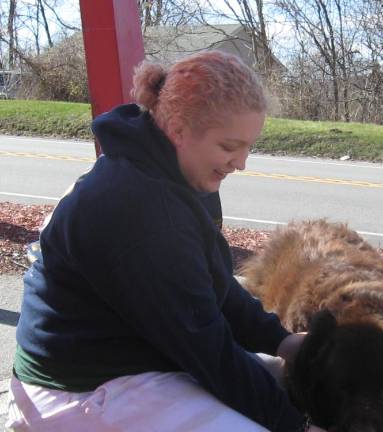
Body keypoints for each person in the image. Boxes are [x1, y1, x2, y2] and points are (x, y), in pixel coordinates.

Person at [6, 51, 326, 432]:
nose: (241, 163)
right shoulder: (136, 205)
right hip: (74, 388)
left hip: (133, 355)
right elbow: (206, 348)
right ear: (178, 129)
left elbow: (214, 291)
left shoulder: (176, 174)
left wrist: (281, 342)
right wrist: (297, 427)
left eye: (247, 147)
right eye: (229, 147)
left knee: (291, 382)